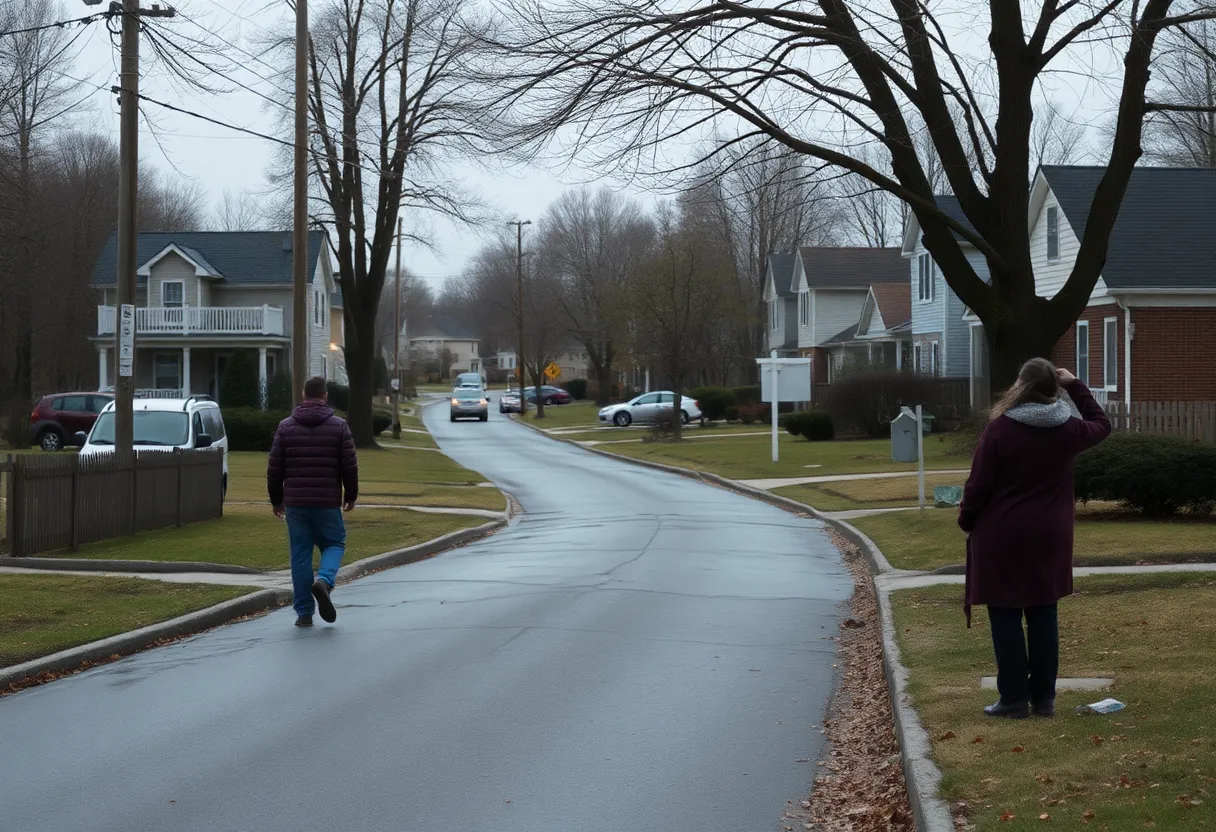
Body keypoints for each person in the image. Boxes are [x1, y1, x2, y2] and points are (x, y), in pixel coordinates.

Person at [959, 357, 1111, 719]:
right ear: (1051, 389)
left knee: (1005, 610)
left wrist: (967, 519)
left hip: (1003, 534)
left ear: (1020, 387)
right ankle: (1044, 698)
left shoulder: (999, 429)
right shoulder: (1070, 429)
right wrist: (1075, 385)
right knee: (1044, 610)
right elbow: (1102, 424)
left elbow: (978, 485)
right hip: (1051, 535)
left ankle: (1012, 699)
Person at [268, 376, 359, 627]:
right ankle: (325, 581)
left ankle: (304, 613)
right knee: (334, 543)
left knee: (300, 554)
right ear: (325, 396)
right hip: (327, 501)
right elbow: (349, 466)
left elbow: (274, 468)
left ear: (303, 395)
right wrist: (350, 495)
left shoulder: (285, 427)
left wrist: (277, 500)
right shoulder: (339, 426)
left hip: (296, 503)